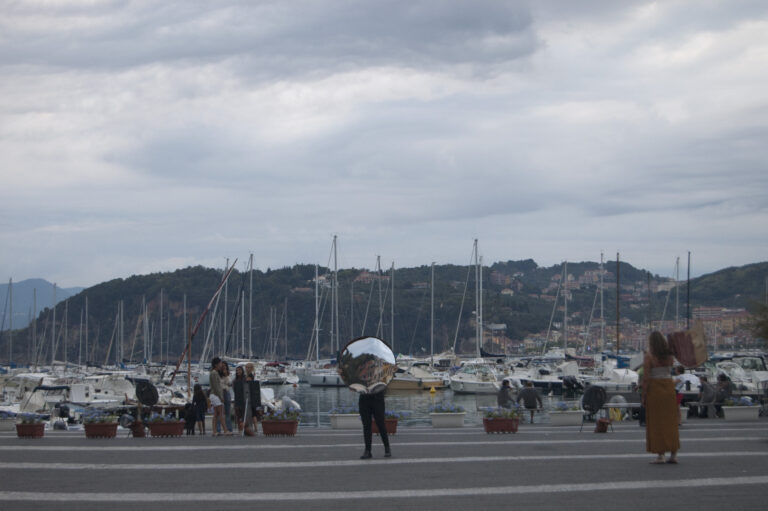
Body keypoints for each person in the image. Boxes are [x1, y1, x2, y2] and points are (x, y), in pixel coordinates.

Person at [642, 331, 680, 464]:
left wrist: (644, 395)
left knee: (657, 422)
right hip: (669, 388)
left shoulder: (649, 356)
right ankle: (674, 454)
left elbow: (646, 378)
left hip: (655, 389)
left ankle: (661, 454)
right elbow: (672, 370)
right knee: (671, 421)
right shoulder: (670, 356)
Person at [358, 390, 391, 459]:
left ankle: (387, 448)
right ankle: (367, 451)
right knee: (366, 425)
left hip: (377, 397)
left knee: (380, 424)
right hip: (364, 397)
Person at [209, 357, 231, 436]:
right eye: (220, 363)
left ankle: (214, 431)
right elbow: (216, 386)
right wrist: (221, 397)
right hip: (216, 395)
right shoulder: (215, 373)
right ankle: (225, 430)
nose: (221, 365)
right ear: (216, 364)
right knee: (221, 413)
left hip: (213, 394)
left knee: (216, 414)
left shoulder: (213, 372)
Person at [219, 361, 233, 434]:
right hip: (220, 392)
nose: (223, 367)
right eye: (222, 365)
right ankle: (218, 430)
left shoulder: (228, 375)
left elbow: (230, 383)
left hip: (226, 392)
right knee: (219, 412)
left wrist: (226, 375)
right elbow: (219, 383)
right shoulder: (218, 374)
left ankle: (229, 429)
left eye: (225, 366)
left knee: (227, 412)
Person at [232, 366, 246, 432]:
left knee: (244, 414)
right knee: (238, 415)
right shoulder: (235, 380)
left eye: (239, 370)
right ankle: (239, 429)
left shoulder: (244, 379)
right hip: (237, 398)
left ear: (242, 371)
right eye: (237, 370)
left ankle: (244, 428)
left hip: (244, 399)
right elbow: (234, 390)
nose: (238, 372)